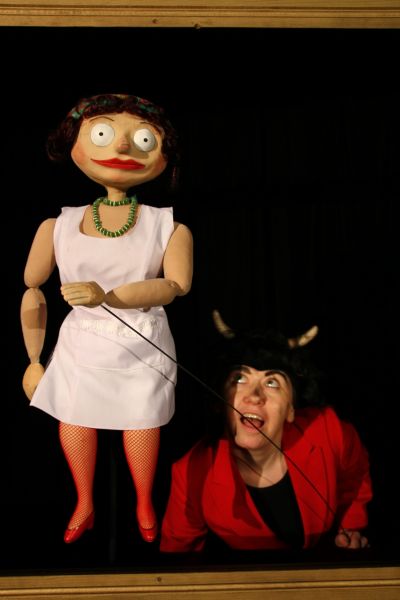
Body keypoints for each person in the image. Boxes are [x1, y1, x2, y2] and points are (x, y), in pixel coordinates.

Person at [20, 93, 193, 544]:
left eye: (142, 139)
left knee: (141, 417)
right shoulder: (58, 225)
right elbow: (33, 289)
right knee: (75, 414)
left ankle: (143, 499)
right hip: (82, 341)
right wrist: (34, 359)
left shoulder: (167, 226)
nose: (121, 147)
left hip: (142, 340)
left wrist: (109, 296)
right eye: (103, 133)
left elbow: (175, 285)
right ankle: (84, 499)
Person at [160, 311, 372, 552]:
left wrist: (350, 528)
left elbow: (355, 478)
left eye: (272, 383)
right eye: (239, 378)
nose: (254, 396)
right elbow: (178, 555)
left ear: (290, 410)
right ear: (220, 401)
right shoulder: (192, 472)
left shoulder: (331, 432)